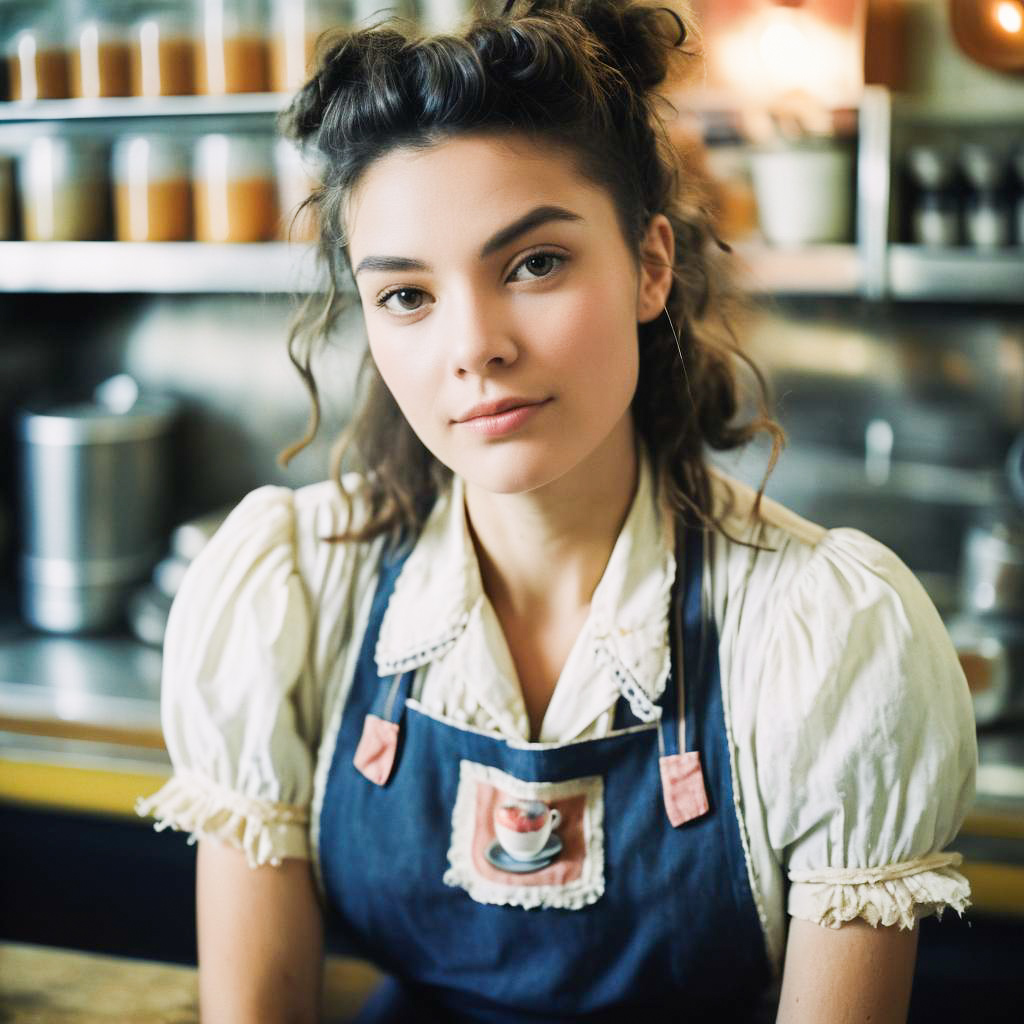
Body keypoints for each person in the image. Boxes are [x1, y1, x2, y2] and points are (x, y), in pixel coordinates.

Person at [136, 1, 977, 1020]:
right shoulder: (298, 586)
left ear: (650, 266)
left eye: (533, 263)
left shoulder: (826, 635)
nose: (473, 344)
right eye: (406, 295)